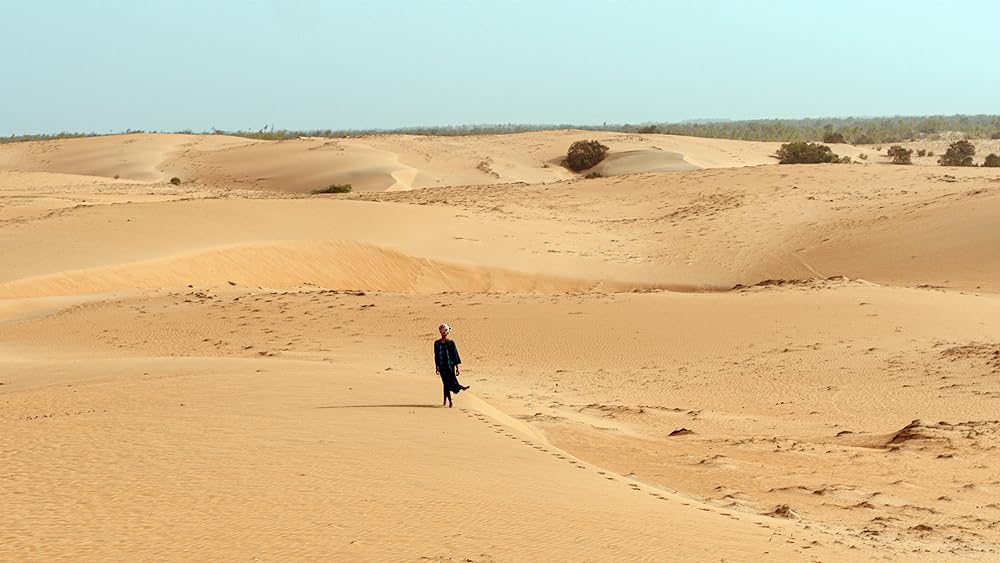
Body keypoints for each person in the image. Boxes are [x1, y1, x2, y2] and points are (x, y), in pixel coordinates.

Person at [434, 323, 469, 407]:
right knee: (446, 382)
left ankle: (447, 400)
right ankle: (450, 399)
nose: (445, 333)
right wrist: (437, 366)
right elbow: (438, 355)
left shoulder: (446, 343)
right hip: (445, 366)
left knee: (447, 383)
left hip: (447, 366)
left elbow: (453, 354)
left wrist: (456, 367)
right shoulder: (440, 343)